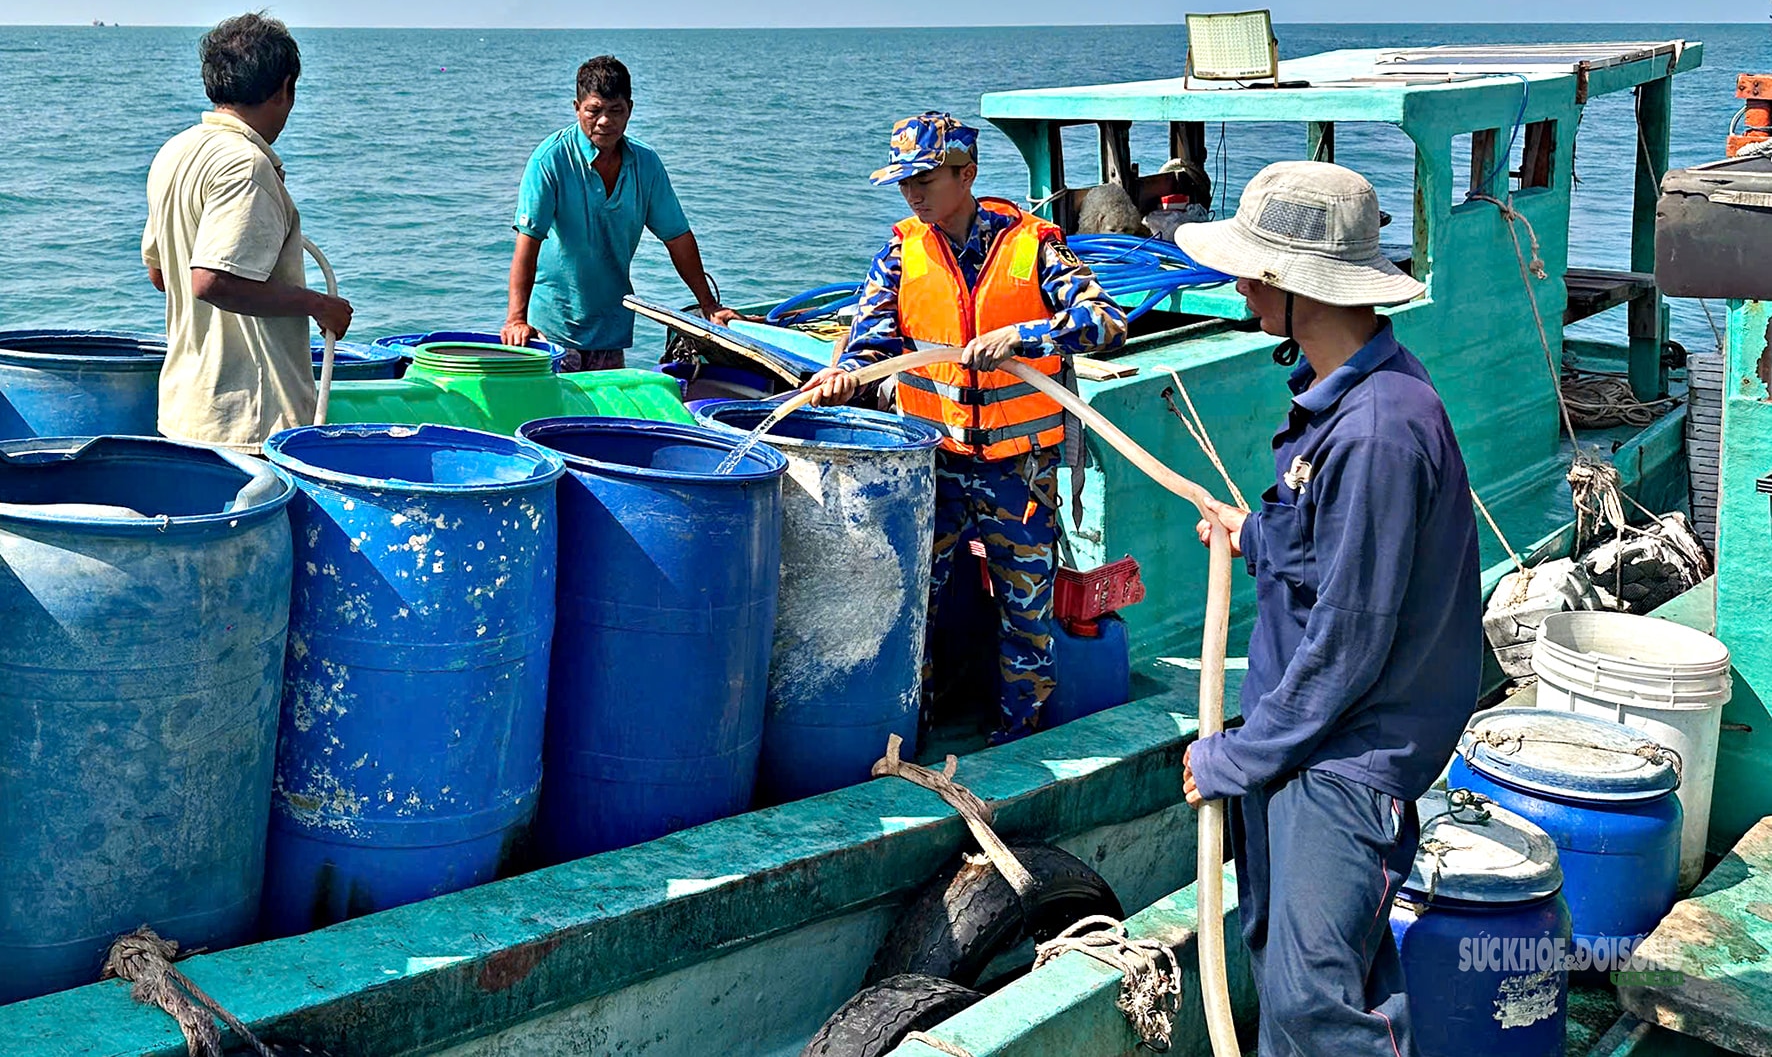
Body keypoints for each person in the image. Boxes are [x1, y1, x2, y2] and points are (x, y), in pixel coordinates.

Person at [1176, 161, 1482, 1056]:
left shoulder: (1381, 429)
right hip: (1304, 745)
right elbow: (1322, 549)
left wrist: (1235, 755)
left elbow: (1350, 641)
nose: (1238, 285)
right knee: (1288, 963)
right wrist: (1251, 535)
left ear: (1292, 285)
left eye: (1251, 270)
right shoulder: (1344, 402)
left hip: (1345, 759)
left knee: (1314, 1005)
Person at [805, 112, 1127, 743]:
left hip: (1018, 471)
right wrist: (845, 374)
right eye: (904, 182)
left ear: (967, 174)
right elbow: (871, 344)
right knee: (914, 605)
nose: (914, 192)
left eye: (925, 178)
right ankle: (910, 736)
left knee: (1025, 615)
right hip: (934, 467)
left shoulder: (1035, 247)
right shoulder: (901, 253)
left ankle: (1019, 737)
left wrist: (1026, 335)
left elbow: (1107, 322)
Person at [142, 12, 353, 452]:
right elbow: (211, 280)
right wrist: (319, 305)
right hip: (248, 420)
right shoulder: (246, 164)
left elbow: (162, 274)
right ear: (284, 89)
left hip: (185, 407)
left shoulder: (175, 152)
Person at [502, 56, 734, 370]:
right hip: (552, 328)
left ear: (630, 109)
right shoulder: (550, 160)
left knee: (602, 416)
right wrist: (516, 319)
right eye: (594, 110)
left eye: (616, 111)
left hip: (611, 327)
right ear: (576, 107)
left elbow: (677, 237)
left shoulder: (645, 163)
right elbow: (527, 244)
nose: (605, 122)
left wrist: (709, 305)